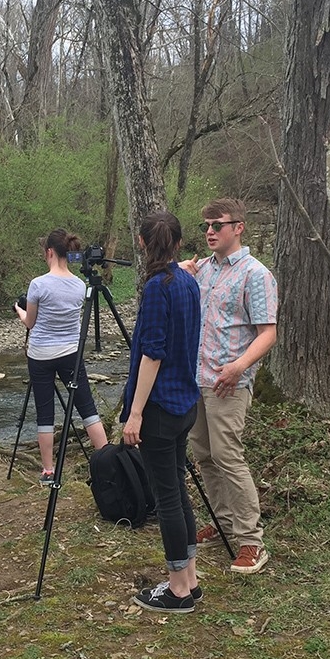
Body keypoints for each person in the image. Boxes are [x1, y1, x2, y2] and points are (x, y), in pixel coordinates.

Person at [182, 198, 278, 574]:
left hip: (229, 383)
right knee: (203, 453)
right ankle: (221, 523)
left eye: (217, 225)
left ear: (238, 227)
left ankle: (251, 540)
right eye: (206, 225)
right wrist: (182, 270)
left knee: (228, 456)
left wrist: (239, 366)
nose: (209, 231)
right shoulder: (203, 269)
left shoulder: (256, 275)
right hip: (197, 379)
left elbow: (268, 333)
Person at [121, 211, 203, 613]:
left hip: (160, 407)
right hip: (185, 401)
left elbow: (152, 353)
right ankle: (189, 577)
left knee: (167, 496)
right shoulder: (188, 282)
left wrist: (134, 413)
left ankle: (178, 590)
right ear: (178, 243)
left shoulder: (158, 288)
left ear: (141, 243)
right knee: (177, 490)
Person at [15, 229, 110, 483]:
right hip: (71, 353)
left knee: (45, 412)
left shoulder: (38, 284)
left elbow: (31, 323)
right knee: (87, 409)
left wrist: (19, 311)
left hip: (40, 355)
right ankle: (109, 463)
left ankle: (48, 471)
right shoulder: (80, 286)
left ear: (49, 252)